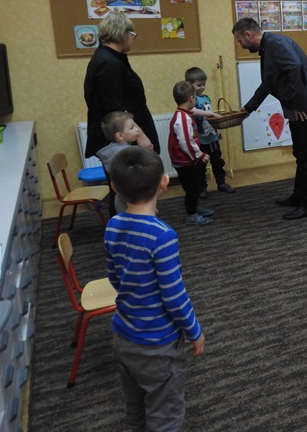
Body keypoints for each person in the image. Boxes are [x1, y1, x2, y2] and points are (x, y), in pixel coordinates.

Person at [105, 147, 204, 431]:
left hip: (123, 335)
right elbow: (174, 296)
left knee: (135, 404)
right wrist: (194, 331)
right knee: (165, 415)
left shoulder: (113, 225)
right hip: (157, 346)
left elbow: (114, 278)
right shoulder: (162, 236)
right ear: (164, 182)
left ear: (114, 187)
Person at [232, 17, 307, 220]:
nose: (241, 45)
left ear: (248, 34)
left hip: (306, 107)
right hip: (301, 106)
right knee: (301, 154)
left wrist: (298, 103)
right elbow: (268, 83)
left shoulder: (275, 44)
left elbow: (295, 68)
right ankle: (299, 196)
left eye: (240, 41)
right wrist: (248, 109)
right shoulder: (269, 46)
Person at [84, 12, 159, 159]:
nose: (132, 39)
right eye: (132, 34)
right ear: (122, 33)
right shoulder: (108, 63)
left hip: (127, 137)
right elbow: (115, 110)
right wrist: (140, 136)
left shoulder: (111, 58)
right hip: (123, 141)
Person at [184, 67, 235, 197]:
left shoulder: (206, 98)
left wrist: (216, 129)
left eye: (204, 84)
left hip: (212, 137)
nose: (202, 87)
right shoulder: (191, 100)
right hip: (200, 139)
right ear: (189, 84)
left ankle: (221, 183)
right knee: (201, 165)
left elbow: (210, 119)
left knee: (217, 161)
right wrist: (211, 113)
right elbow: (193, 111)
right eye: (199, 85)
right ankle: (202, 188)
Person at [169, 80, 213, 226]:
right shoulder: (182, 118)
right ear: (191, 99)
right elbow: (186, 142)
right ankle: (191, 215)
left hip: (188, 159)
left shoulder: (184, 114)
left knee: (196, 185)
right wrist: (200, 155)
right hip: (185, 161)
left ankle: (194, 208)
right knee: (192, 188)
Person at [96, 110, 147, 216]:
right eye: (131, 128)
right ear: (120, 135)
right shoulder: (126, 153)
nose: (137, 129)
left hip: (121, 198)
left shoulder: (113, 149)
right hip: (130, 199)